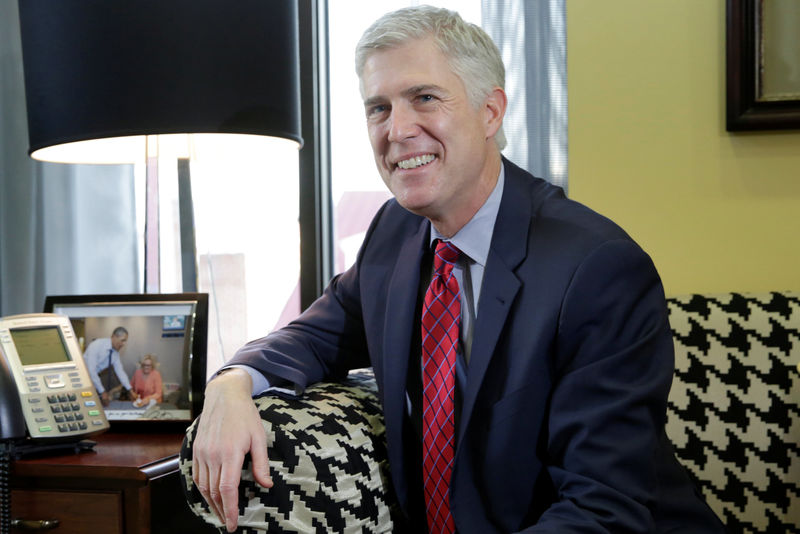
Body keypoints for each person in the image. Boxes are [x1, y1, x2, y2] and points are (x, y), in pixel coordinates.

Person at [192, 6, 726, 533]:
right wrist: (233, 383)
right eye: (378, 108)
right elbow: (314, 336)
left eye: (424, 98)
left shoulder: (597, 269)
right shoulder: (393, 233)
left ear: (490, 112)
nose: (397, 130)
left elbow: (603, 509)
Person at [84, 326, 137, 406]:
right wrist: (102, 391)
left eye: (125, 341)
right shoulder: (96, 345)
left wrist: (130, 390)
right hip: (83, 378)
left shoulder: (115, 353)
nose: (123, 344)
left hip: (93, 380)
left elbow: (120, 372)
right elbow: (91, 371)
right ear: (114, 337)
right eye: (122, 340)